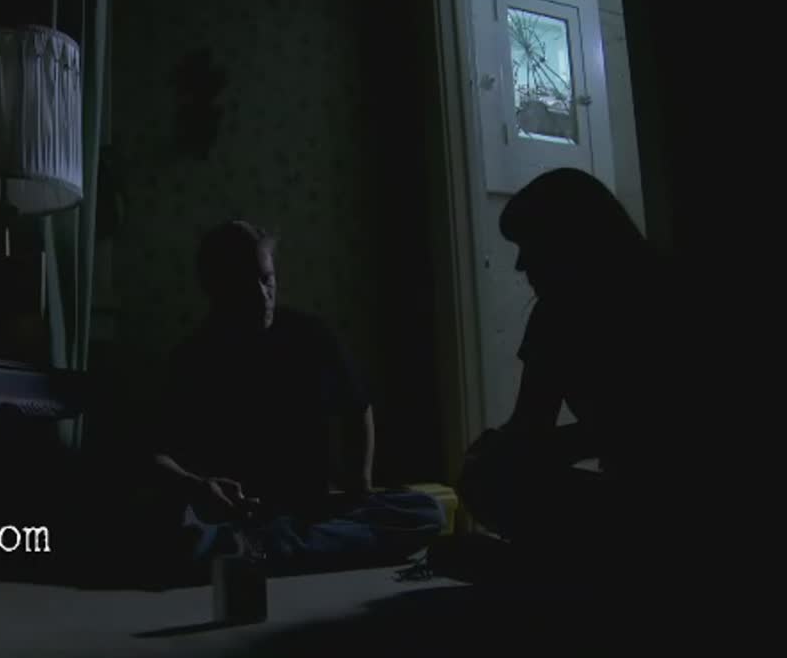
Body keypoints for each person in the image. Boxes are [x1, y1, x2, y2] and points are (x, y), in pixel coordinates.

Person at [150, 220, 445, 571]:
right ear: (215, 289)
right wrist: (198, 487)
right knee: (166, 522)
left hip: (309, 512)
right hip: (236, 514)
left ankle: (262, 550)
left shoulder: (310, 336)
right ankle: (268, 547)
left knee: (425, 511)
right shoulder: (193, 359)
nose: (262, 296)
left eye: (267, 279)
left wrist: (359, 487)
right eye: (245, 284)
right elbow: (157, 454)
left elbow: (357, 407)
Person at [454, 168, 692, 582]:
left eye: (529, 245)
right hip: (619, 494)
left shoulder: (665, 299)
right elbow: (531, 422)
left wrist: (548, 446)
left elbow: (657, 427)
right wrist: (501, 445)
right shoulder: (551, 317)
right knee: (484, 476)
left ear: (570, 240)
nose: (520, 264)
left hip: (672, 498)